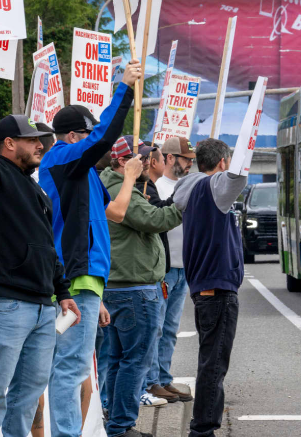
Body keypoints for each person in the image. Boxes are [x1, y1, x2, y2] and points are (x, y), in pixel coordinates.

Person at [0, 70, 81, 436]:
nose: (41, 146)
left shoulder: (35, 189)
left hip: (43, 306)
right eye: (33, 141)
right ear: (8, 143)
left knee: (29, 393)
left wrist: (62, 293)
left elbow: (47, 246)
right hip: (5, 303)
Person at [38, 60, 143, 437]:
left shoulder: (84, 173)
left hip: (85, 282)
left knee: (72, 367)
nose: (96, 144)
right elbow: (103, 136)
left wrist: (95, 296)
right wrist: (125, 89)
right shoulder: (63, 160)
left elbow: (109, 216)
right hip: (75, 279)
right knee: (68, 368)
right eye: (86, 135)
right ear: (70, 137)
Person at [99, 136, 183, 437]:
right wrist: (184, 203)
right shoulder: (119, 190)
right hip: (133, 289)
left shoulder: (116, 186)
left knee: (120, 360)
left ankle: (116, 421)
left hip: (123, 287)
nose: (147, 164)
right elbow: (155, 220)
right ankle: (121, 425)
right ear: (123, 162)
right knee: (134, 362)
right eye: (142, 160)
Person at [173, 138, 248, 437]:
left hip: (205, 286)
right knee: (214, 364)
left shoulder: (188, 189)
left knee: (211, 360)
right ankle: (202, 430)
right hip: (217, 287)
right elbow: (238, 178)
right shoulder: (214, 187)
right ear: (222, 163)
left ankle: (203, 426)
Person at [144, 137, 196, 404]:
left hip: (183, 268)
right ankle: (151, 381)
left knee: (170, 328)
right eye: (186, 159)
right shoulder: (156, 187)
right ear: (171, 158)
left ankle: (163, 377)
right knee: (157, 327)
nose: (189, 165)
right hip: (162, 270)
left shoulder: (187, 186)